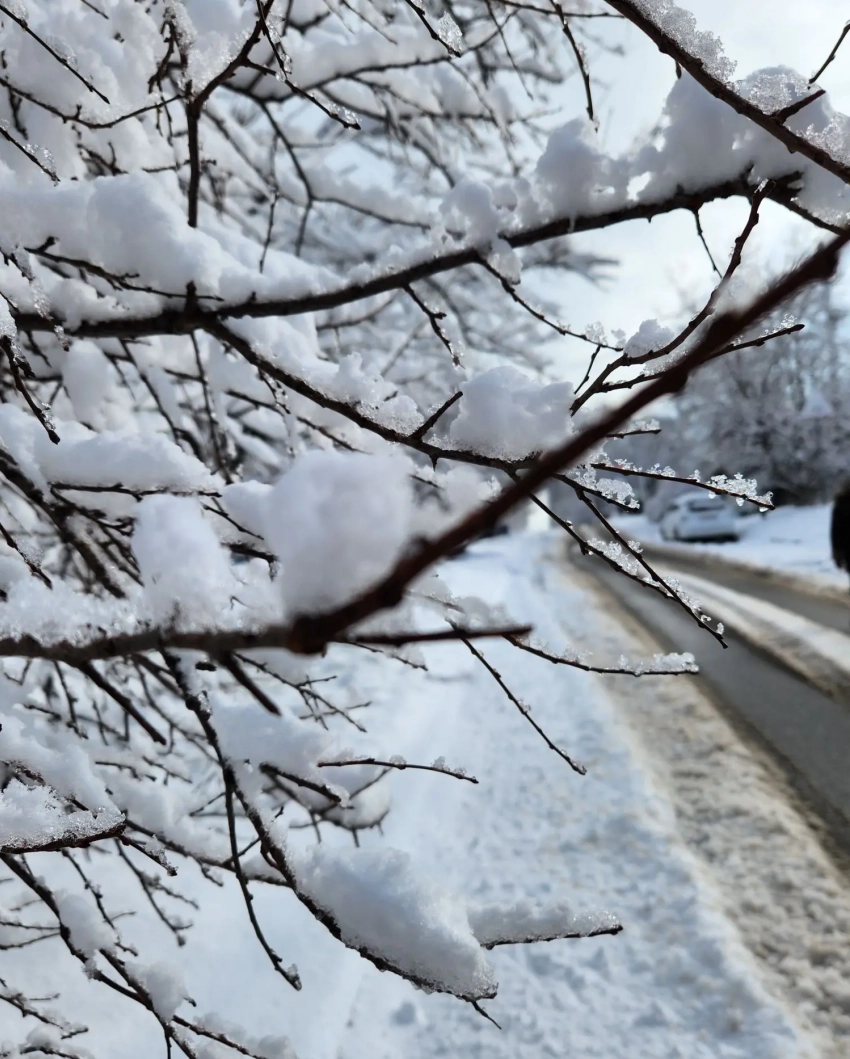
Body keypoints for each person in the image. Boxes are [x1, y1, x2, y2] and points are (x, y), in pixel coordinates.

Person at [830, 481, 850, 587]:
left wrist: (837, 552)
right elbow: (836, 530)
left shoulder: (841, 503)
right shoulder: (842, 503)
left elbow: (836, 530)